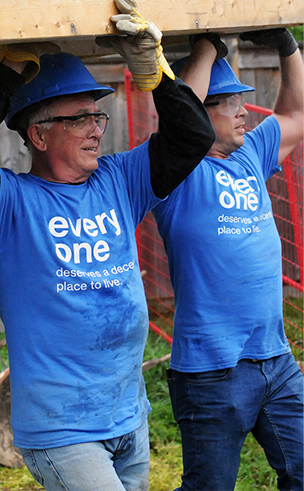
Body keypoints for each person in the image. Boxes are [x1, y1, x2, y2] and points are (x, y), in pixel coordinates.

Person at [0, 0, 215, 491]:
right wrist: (9, 71)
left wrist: (153, 73)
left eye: (98, 117)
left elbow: (192, 137)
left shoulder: (119, 180)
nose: (96, 128)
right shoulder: (9, 206)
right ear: (39, 135)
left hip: (129, 415)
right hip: (63, 429)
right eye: (81, 118)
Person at [152, 29, 304, 491]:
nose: (243, 111)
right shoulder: (172, 171)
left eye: (242, 100)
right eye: (228, 102)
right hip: (211, 372)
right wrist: (207, 49)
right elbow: (178, 123)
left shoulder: (253, 154)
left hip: (276, 360)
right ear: (199, 110)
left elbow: (296, 113)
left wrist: (287, 46)